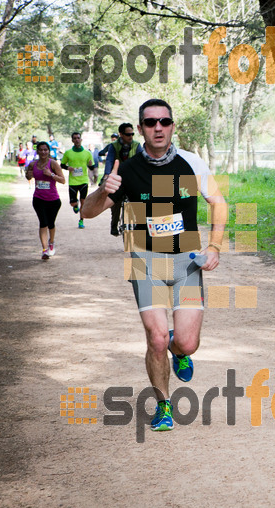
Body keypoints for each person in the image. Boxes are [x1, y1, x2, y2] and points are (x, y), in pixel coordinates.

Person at [82, 98, 227, 432]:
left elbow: (218, 203)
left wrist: (215, 246)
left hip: (186, 259)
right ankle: (164, 405)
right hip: (143, 259)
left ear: (173, 125)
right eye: (150, 123)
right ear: (141, 128)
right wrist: (102, 190)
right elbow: (88, 213)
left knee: (186, 343)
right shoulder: (128, 170)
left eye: (164, 121)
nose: (158, 128)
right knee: (156, 339)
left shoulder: (191, 163)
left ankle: (180, 348)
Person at [25, 141, 65, 260]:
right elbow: (28, 176)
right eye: (41, 150)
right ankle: (44, 249)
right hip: (38, 198)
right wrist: (28, 174)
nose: (43, 152)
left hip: (53, 199)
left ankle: (51, 242)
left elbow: (63, 180)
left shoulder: (53, 163)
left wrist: (51, 174)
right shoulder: (33, 164)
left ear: (48, 151)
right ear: (37, 151)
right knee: (43, 223)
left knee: (51, 224)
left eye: (45, 150)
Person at [101, 124, 143, 236]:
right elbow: (109, 161)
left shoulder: (137, 145)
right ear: (121, 135)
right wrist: (107, 175)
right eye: (128, 134)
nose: (131, 136)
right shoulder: (113, 146)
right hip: (118, 178)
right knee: (115, 200)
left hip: (133, 177)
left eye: (132, 134)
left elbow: (143, 160)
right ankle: (114, 225)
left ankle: (141, 225)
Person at [60, 132, 96, 229]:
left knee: (83, 201)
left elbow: (92, 167)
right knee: (73, 203)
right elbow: (62, 165)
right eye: (74, 138)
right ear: (72, 140)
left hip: (83, 180)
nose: (76, 140)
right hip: (73, 181)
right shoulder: (68, 153)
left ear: (81, 140)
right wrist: (68, 168)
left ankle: (81, 221)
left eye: (78, 138)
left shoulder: (87, 153)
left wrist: (90, 164)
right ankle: (75, 206)